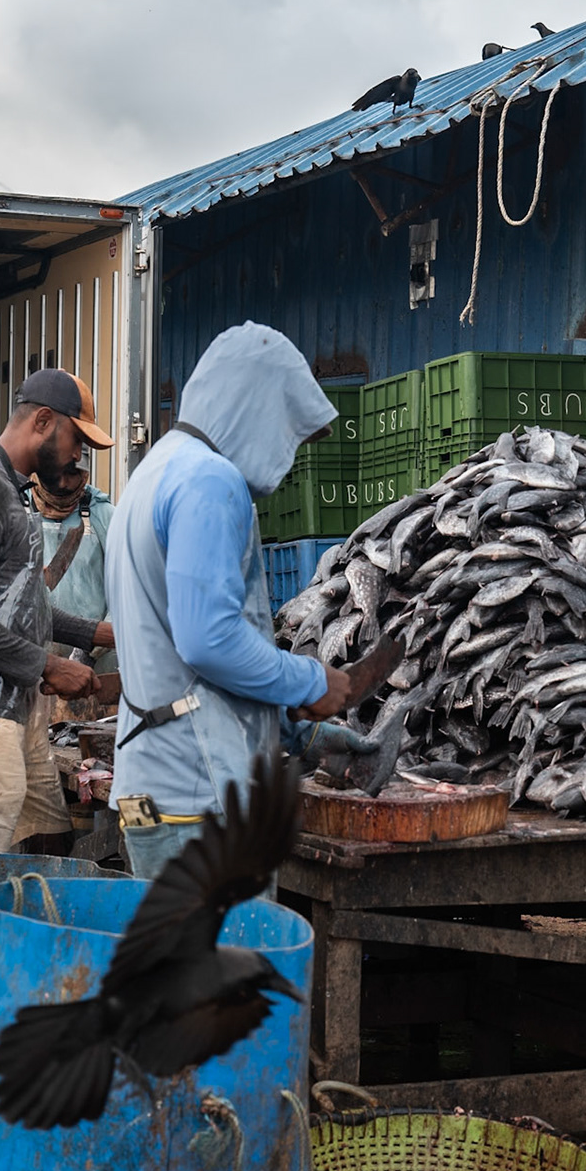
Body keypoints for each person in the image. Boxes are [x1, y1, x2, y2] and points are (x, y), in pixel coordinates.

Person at [104, 322, 375, 880]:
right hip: (200, 796)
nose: (289, 454)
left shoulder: (154, 471)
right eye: (287, 432)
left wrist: (300, 732)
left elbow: (177, 663)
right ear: (255, 407)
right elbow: (208, 640)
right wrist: (311, 681)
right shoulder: (209, 480)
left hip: (150, 789)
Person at [0, 369, 117, 868]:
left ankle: (33, 920)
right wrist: (49, 666)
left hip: (13, 707)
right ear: (44, 421)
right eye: (76, 440)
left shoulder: (13, 491)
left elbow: (20, 605)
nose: (79, 456)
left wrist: (104, 634)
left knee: (48, 837)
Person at [35, 461, 116, 675]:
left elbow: (127, 592)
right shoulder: (16, 509)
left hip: (96, 666)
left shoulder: (104, 515)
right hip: (33, 662)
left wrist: (90, 652)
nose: (63, 483)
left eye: (72, 473)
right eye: (55, 473)